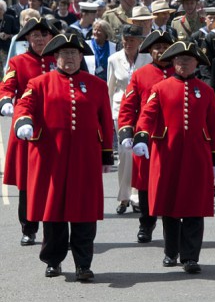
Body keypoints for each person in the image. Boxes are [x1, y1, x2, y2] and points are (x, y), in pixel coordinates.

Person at [13, 33, 113, 280]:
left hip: (85, 159)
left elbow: (105, 122)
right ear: (55, 57)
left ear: (81, 56)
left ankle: (83, 264)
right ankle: (53, 260)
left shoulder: (97, 86)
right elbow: (23, 106)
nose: (69, 57)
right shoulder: (39, 83)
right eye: (64, 54)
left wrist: (106, 155)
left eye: (73, 53)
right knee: (54, 212)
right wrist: (23, 122)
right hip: (51, 158)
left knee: (84, 213)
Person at [132, 41, 215, 274]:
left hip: (197, 156)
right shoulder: (160, 88)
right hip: (167, 153)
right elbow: (147, 115)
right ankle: (171, 252)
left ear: (196, 63)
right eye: (179, 60)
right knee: (169, 205)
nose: (183, 63)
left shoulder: (207, 90)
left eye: (188, 60)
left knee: (194, 207)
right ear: (173, 62)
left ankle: (190, 256)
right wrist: (141, 136)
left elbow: (213, 126)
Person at [0, 18, 59, 246]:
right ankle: (28, 227)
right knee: (27, 181)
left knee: (53, 179)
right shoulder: (18, 61)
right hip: (27, 126)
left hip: (53, 127)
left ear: (51, 37)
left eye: (43, 35)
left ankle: (52, 226)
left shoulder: (59, 59)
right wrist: (5, 101)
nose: (40, 39)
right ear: (28, 39)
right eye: (35, 36)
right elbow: (7, 85)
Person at [118, 30, 175, 243]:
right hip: (147, 137)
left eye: (164, 47)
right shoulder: (141, 74)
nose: (161, 51)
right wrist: (126, 131)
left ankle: (172, 228)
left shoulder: (180, 71)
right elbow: (128, 105)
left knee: (171, 183)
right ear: (150, 51)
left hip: (173, 138)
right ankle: (146, 224)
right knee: (144, 185)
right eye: (157, 47)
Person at [107, 25, 152, 215]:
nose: (128, 43)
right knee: (125, 154)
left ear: (140, 41)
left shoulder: (148, 59)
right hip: (121, 111)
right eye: (125, 39)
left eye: (132, 40)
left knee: (140, 153)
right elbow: (110, 89)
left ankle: (136, 194)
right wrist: (108, 116)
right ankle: (124, 196)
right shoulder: (113, 59)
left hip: (143, 110)